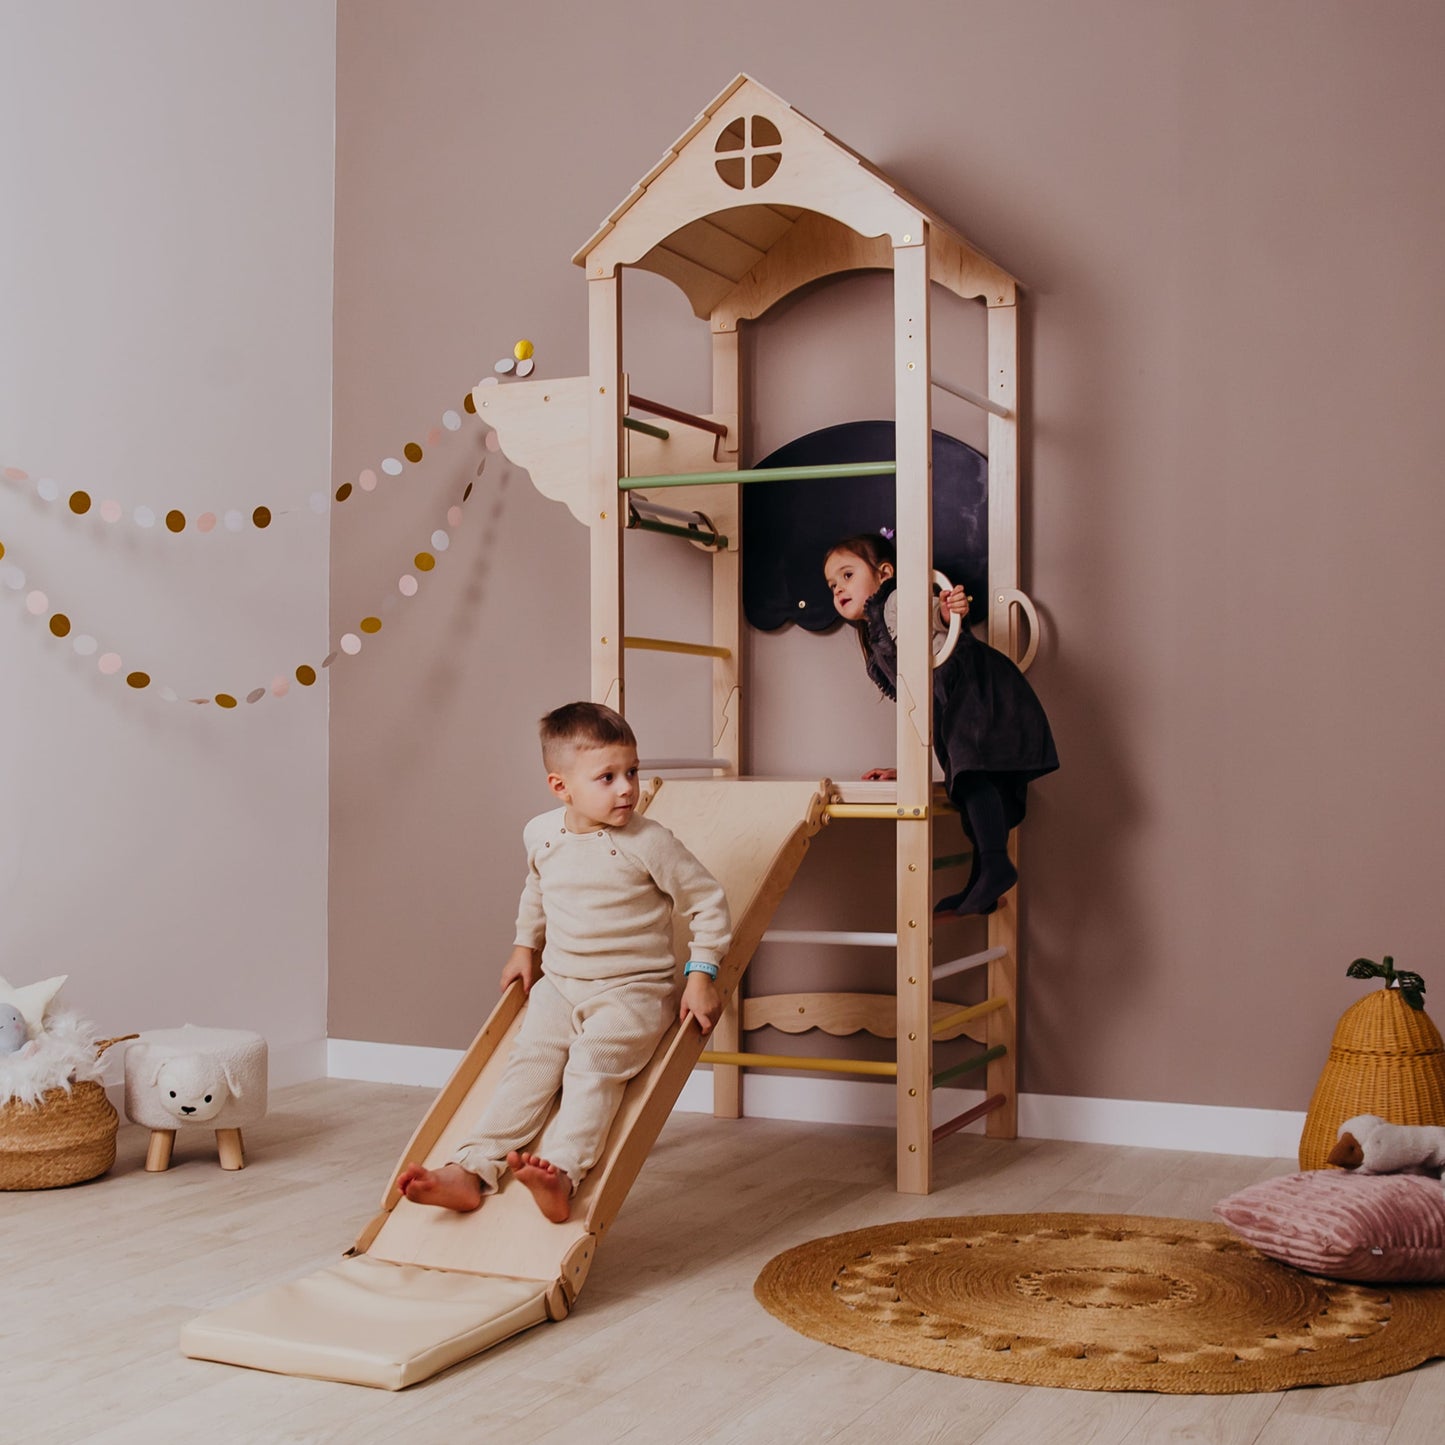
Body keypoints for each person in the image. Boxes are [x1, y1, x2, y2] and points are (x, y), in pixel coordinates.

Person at [395, 701, 731, 1223]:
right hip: (560, 984)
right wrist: (524, 947)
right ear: (561, 787)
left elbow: (707, 900)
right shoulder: (541, 834)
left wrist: (701, 973)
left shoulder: (649, 842)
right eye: (607, 777)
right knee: (527, 1068)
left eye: (632, 772)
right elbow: (537, 889)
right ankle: (471, 1168)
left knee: (591, 1067)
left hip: (632, 991)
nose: (627, 788)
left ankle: (563, 1174)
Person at [824, 532, 1059, 916]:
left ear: (884, 573)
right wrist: (907, 766)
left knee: (972, 775)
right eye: (833, 585)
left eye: (847, 575)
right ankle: (984, 877)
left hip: (976, 684)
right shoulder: (874, 633)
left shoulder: (894, 602)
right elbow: (920, 706)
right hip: (960, 696)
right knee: (968, 779)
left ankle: (994, 864)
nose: (838, 589)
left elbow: (932, 612)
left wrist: (947, 612)